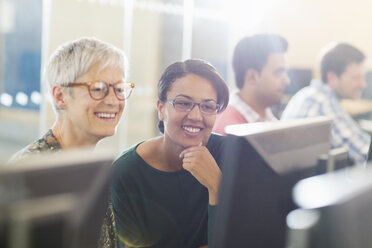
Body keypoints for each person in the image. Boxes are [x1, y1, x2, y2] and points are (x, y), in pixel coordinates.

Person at [10, 37, 134, 248]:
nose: (113, 100)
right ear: (60, 96)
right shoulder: (35, 174)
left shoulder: (92, 168)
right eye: (98, 88)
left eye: (119, 89)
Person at [111, 59, 229, 248]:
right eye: (183, 103)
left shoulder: (229, 155)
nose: (196, 116)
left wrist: (217, 186)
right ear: (161, 108)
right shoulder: (126, 172)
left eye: (207, 106)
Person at [281, 42, 370, 166]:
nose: (363, 84)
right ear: (332, 77)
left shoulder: (308, 94)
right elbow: (364, 151)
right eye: (356, 78)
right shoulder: (321, 101)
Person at [213, 33, 290, 135]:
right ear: (252, 77)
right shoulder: (230, 131)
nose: (287, 80)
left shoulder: (265, 116)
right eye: (278, 72)